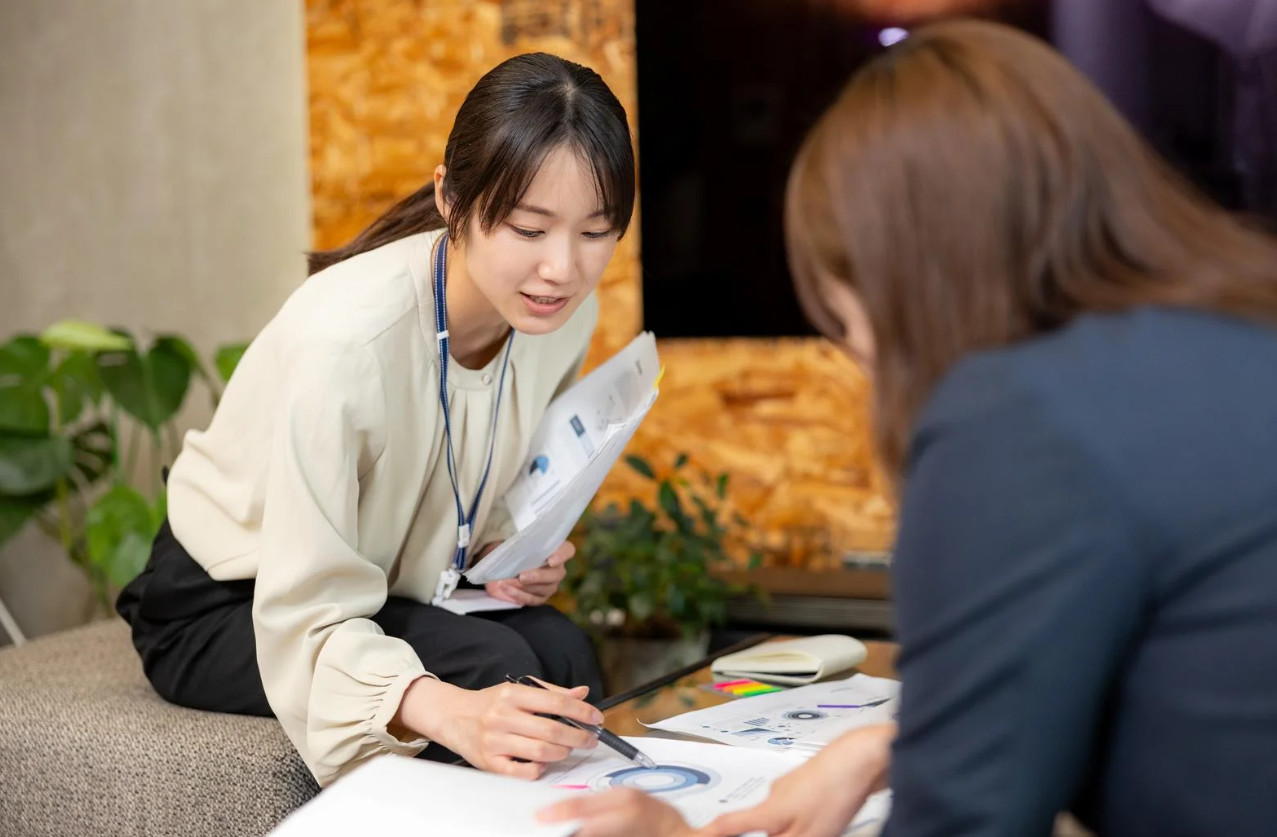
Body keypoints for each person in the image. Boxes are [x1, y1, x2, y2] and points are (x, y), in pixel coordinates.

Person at [540, 19, 1277, 837]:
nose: (855, 357)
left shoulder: (1014, 420)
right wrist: (895, 745)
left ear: (897, 277)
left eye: (843, 320)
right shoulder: (1236, 330)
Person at [115, 52, 636, 787]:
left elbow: (463, 468)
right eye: (528, 228)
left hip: (377, 581)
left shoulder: (562, 317)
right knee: (500, 672)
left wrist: (506, 551)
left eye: (595, 232)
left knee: (562, 651)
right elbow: (304, 609)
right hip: (231, 598)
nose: (563, 269)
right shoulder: (348, 342)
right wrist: (449, 711)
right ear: (450, 197)